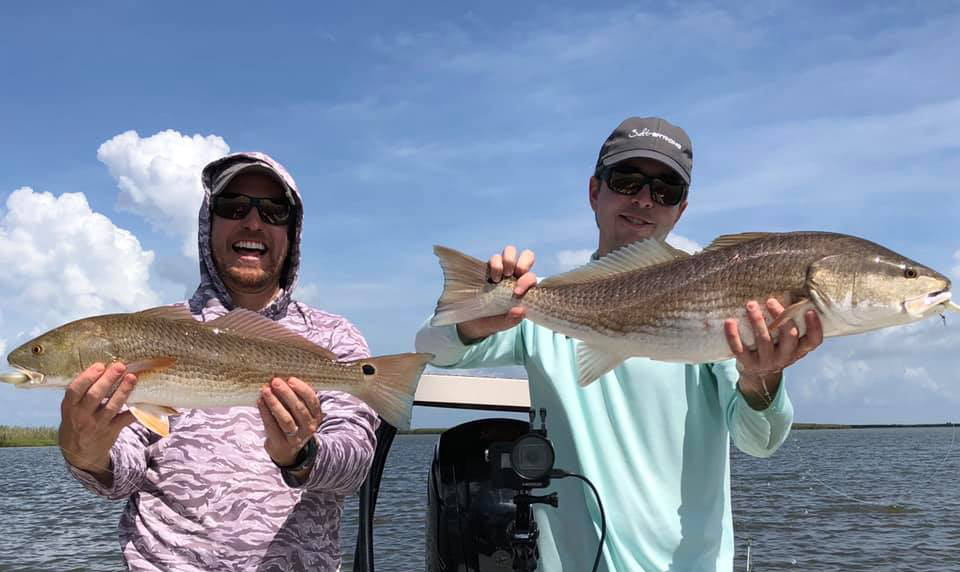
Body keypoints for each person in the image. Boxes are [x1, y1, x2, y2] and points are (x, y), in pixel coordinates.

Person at [415, 117, 825, 572]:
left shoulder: (721, 306)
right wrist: (477, 315)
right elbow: (434, 348)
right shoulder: (537, 304)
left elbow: (760, 440)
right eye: (627, 180)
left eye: (666, 189)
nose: (645, 199)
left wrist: (762, 377)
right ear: (595, 191)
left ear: (680, 209)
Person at [57, 152, 379, 571]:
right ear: (208, 222)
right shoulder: (149, 333)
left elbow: (355, 466)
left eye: (274, 211)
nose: (253, 222)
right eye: (233, 207)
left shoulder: (334, 338)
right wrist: (85, 453)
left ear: (293, 231)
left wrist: (301, 455)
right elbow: (122, 475)